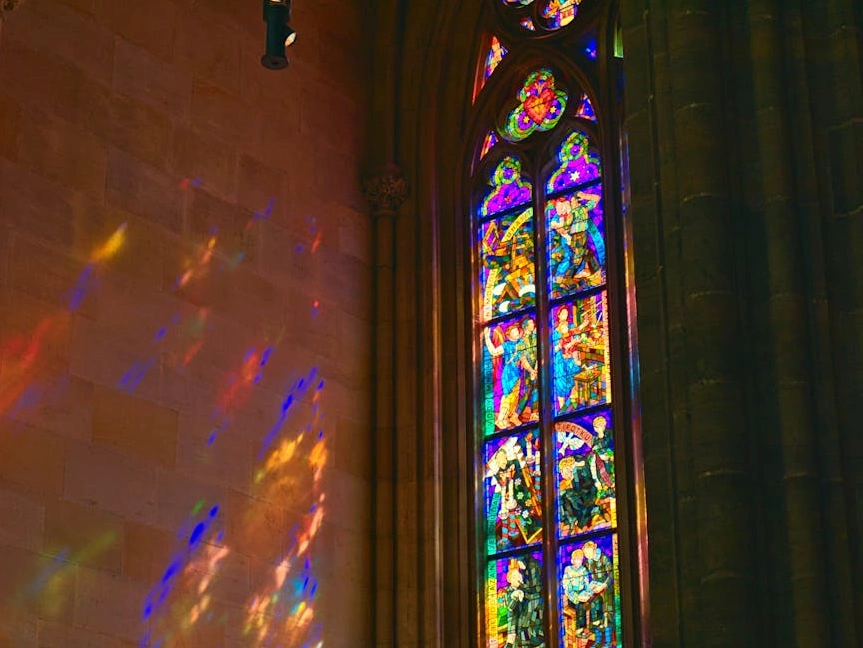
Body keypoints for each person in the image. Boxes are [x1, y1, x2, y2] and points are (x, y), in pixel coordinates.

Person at [484, 322, 525, 429]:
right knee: (508, 396)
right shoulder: (506, 345)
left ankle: (507, 417)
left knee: (515, 396)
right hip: (509, 373)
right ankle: (500, 419)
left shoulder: (521, 343)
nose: (515, 332)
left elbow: (523, 359)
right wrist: (487, 338)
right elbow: (493, 352)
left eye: (516, 330)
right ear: (509, 335)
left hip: (517, 372)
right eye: (513, 331)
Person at [582, 541, 613, 646]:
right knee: (595, 614)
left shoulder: (604, 558)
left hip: (607, 590)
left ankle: (608, 643)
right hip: (595, 591)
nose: (587, 556)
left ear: (594, 550)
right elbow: (583, 574)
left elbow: (611, 574)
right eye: (585, 554)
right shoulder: (588, 562)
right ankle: (598, 641)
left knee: (607, 614)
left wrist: (603, 585)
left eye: (588, 553)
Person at [562, 549, 593, 638]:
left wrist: (587, 593)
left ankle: (587, 628)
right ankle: (579, 629)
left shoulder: (584, 570)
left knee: (587, 604)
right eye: (577, 559)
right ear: (572, 560)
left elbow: (586, 584)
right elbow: (566, 585)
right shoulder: (568, 570)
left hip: (582, 593)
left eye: (580, 559)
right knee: (580, 606)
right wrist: (574, 596)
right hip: (572, 595)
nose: (579, 561)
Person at [515, 317, 539, 420]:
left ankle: (534, 413)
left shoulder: (536, 337)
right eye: (531, 323)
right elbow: (523, 359)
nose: (533, 325)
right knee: (528, 391)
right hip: (528, 370)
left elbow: (539, 353)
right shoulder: (521, 342)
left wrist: (536, 369)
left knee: (537, 389)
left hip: (536, 368)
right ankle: (516, 414)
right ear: (525, 326)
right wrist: (531, 371)